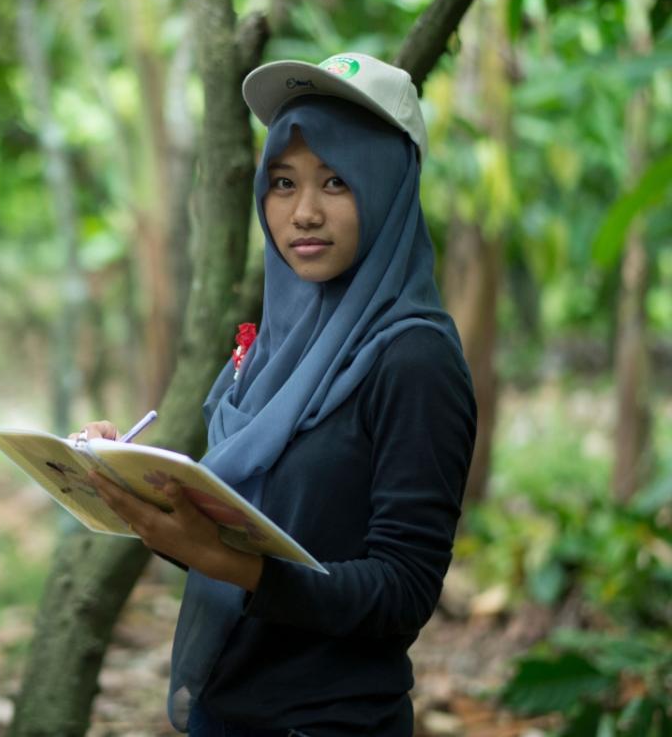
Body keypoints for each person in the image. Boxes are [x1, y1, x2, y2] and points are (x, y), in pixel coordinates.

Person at [74, 52, 477, 736]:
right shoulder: (270, 350)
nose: (305, 212)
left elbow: (401, 592)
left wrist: (228, 562)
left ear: (389, 189)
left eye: (338, 181)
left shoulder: (414, 358)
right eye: (284, 182)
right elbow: (231, 534)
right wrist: (134, 487)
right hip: (223, 709)